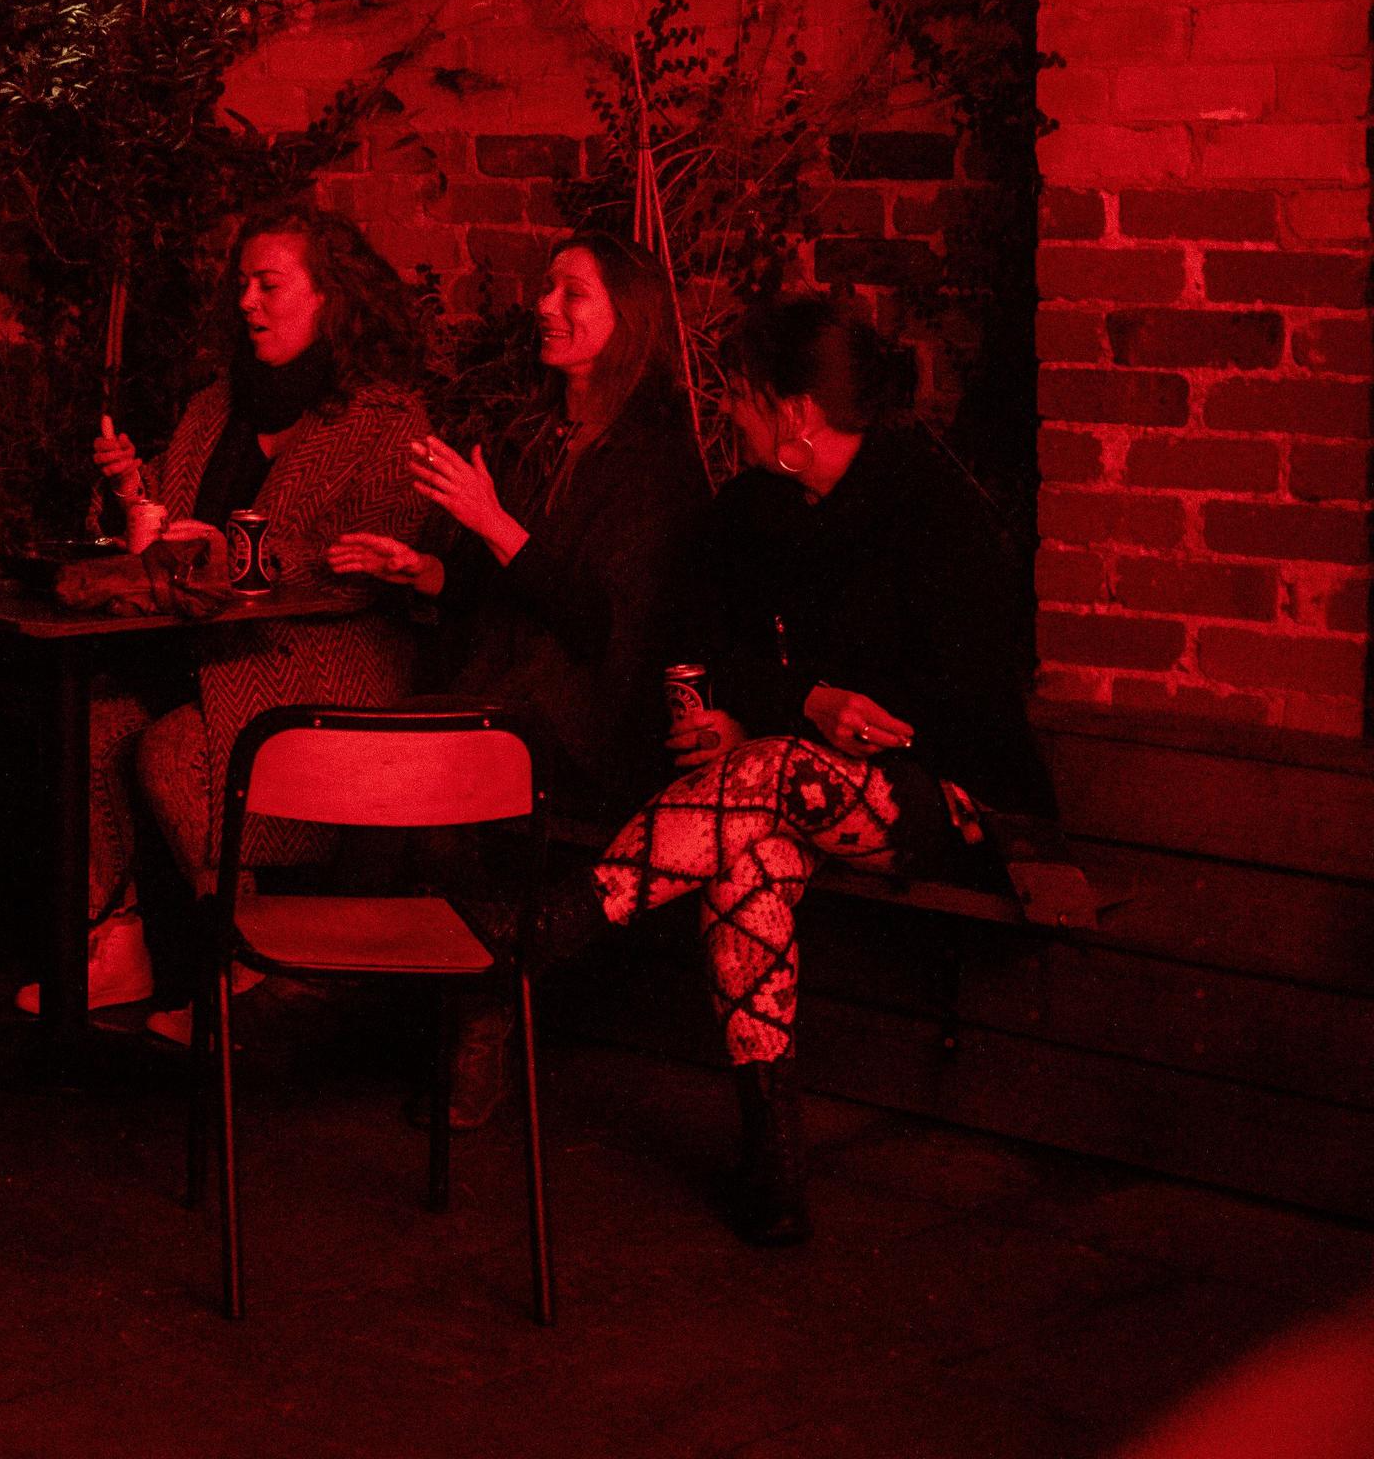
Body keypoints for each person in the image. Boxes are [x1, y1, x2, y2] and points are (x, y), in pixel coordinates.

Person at [595, 296, 1055, 1247]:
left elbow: (958, 702)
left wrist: (802, 713)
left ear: (795, 410)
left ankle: (563, 917)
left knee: (769, 777)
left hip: (955, 800)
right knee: (748, 860)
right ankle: (775, 1161)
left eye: (744, 399)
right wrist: (771, 706)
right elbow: (701, 640)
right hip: (796, 788)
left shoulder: (932, 509)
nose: (731, 415)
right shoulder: (756, 507)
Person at [334, 232, 712, 1125]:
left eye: (572, 294)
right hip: (499, 700)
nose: (545, 306)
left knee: (425, 765)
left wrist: (494, 525)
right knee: (400, 758)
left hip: (588, 725)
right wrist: (426, 571)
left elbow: (602, 624)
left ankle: (425, 1004)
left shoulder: (658, 466)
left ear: (627, 324)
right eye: (547, 289)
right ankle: (462, 997)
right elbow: (491, 589)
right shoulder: (540, 436)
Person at [68, 203, 433, 1028]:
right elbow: (162, 516)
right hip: (207, 650)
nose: (247, 302)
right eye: (243, 285)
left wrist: (231, 558)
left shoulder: (387, 421)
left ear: (330, 300)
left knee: (171, 751)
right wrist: (131, 494)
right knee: (97, 717)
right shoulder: (217, 405)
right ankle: (119, 943)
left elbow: (367, 568)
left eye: (269, 285)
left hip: (320, 663)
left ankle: (238, 966)